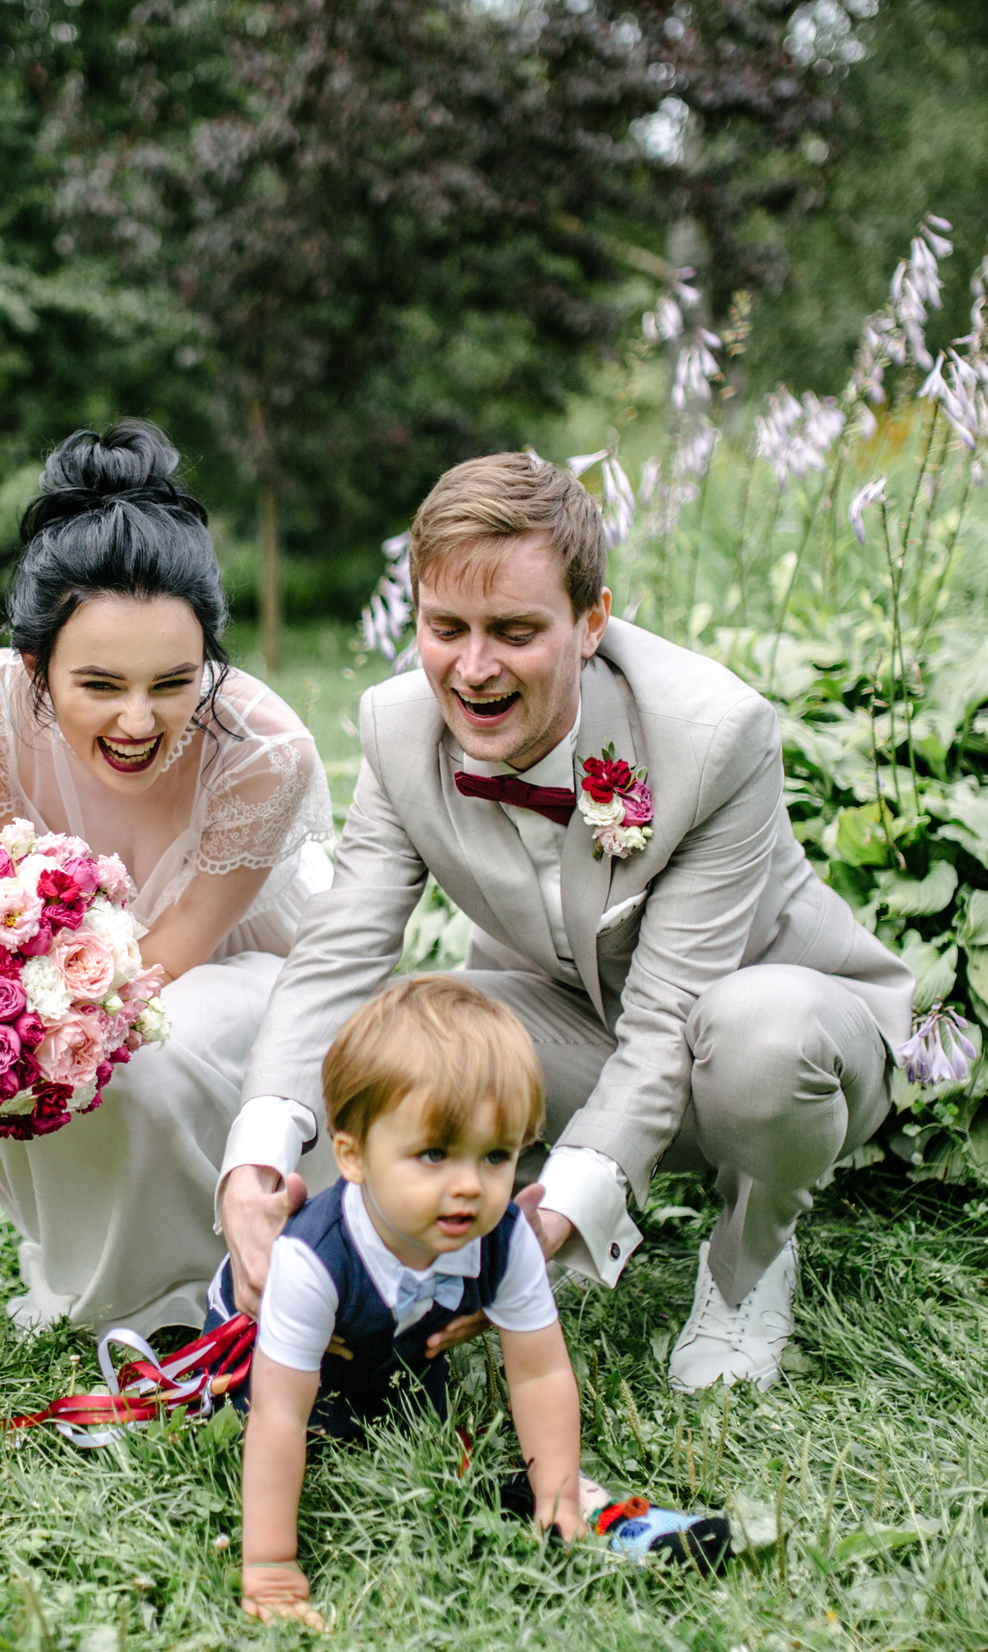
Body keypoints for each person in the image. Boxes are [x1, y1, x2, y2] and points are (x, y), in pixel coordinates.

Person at [221, 452, 913, 1393]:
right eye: (445, 628)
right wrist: (255, 1157)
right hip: (581, 1020)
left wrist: (552, 1227)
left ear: (592, 622)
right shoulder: (395, 728)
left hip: (777, 1038)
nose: (472, 668)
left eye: (514, 631)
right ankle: (390, 1275)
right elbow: (337, 956)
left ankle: (750, 1257)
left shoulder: (715, 736)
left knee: (760, 1035)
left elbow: (672, 1016)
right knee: (408, 1027)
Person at [0, 420, 335, 1338]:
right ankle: (81, 1277)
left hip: (230, 975)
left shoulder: (265, 751)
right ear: (37, 667)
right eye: (100, 685)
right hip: (67, 970)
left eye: (173, 683)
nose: (140, 721)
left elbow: (175, 951)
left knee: (146, 1055)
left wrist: (42, 1005)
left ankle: (191, 1292)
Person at [229, 976, 583, 1627]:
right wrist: (270, 1561)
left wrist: (556, 1489)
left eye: (496, 1155)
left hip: (398, 1353)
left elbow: (541, 1370)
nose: (469, 1186)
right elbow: (279, 1411)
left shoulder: (505, 1238)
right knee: (284, 1417)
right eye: (434, 1154)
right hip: (273, 1358)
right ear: (353, 1155)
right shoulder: (313, 1258)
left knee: (412, 1408)